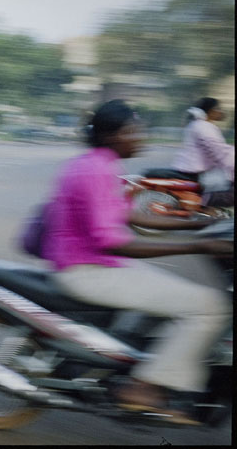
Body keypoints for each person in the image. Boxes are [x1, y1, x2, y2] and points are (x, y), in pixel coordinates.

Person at [44, 100, 231, 425]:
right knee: (210, 305)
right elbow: (115, 241)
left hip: (95, 263)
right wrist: (197, 245)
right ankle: (142, 387)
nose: (141, 137)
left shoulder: (98, 163)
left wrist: (195, 224)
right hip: (88, 271)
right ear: (112, 136)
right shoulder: (96, 170)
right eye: (134, 130)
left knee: (175, 291)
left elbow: (127, 214)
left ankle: (140, 357)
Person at [171, 97, 233, 206]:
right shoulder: (204, 126)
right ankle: (201, 203)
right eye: (218, 108)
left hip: (193, 170)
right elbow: (219, 151)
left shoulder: (197, 124)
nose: (221, 111)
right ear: (210, 111)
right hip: (196, 173)